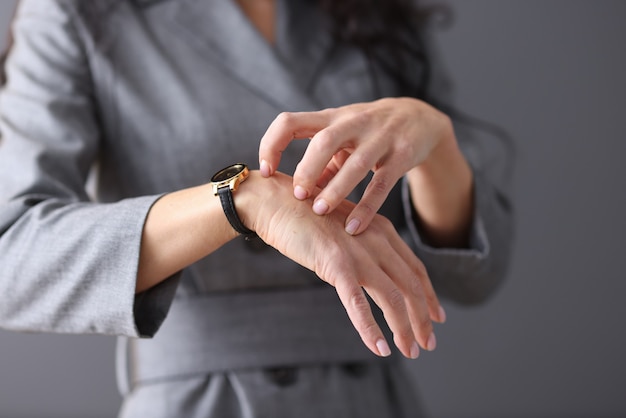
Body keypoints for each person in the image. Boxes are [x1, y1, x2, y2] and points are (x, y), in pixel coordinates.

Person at [0, 0, 513, 417]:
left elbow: (474, 277)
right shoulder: (79, 12)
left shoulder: (370, 11)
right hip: (204, 403)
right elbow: (12, 257)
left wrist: (435, 141)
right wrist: (240, 201)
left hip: (370, 395)